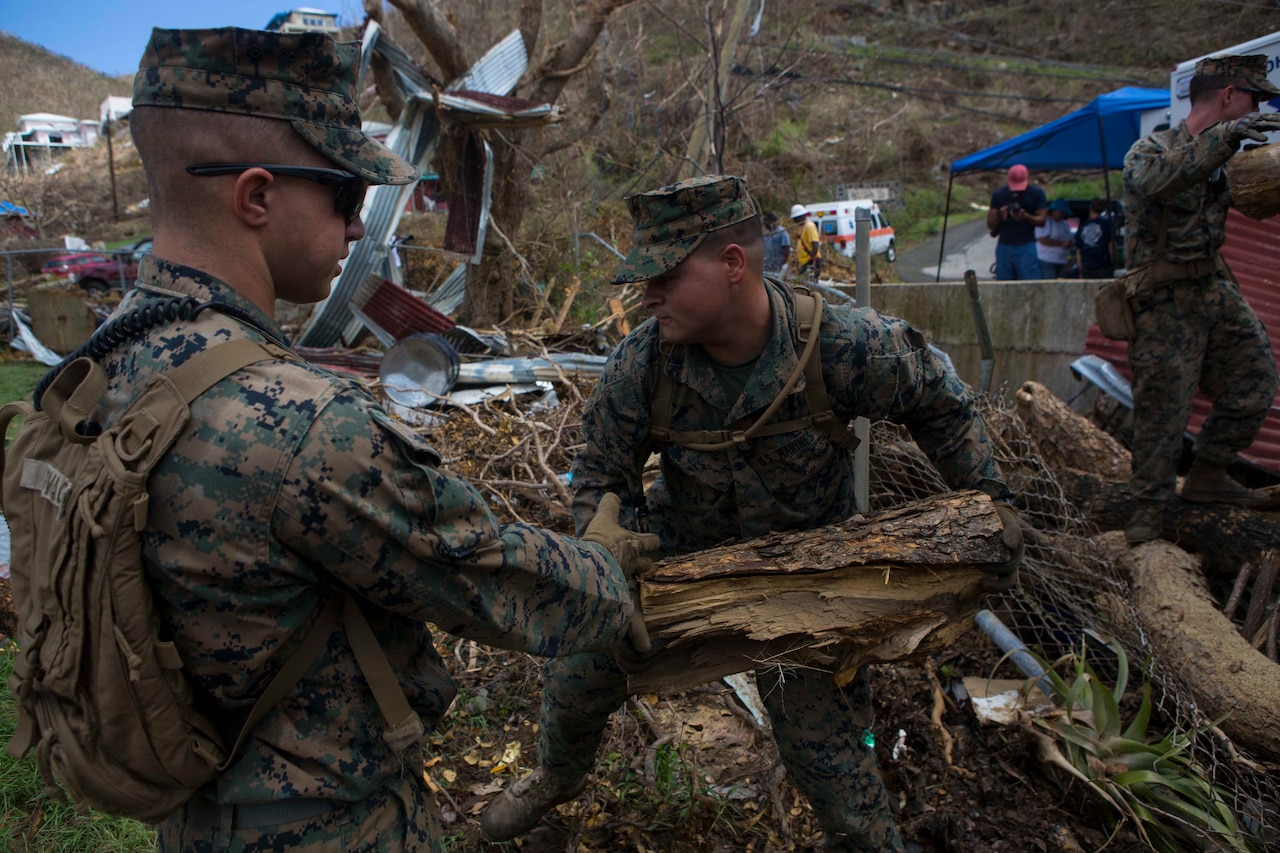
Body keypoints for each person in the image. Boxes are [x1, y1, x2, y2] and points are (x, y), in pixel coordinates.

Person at [112, 26, 652, 851]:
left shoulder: (95, 372)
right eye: (344, 196)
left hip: (190, 813)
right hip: (331, 825)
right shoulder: (297, 424)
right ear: (256, 197)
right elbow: (479, 572)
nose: (361, 223)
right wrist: (605, 566)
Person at [481, 174, 1023, 852]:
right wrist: (603, 535)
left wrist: (990, 501)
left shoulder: (839, 343)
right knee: (577, 665)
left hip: (811, 578)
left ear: (733, 266)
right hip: (686, 558)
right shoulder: (643, 364)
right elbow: (601, 473)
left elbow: (938, 399)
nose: (645, 295)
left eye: (665, 276)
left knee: (840, 770)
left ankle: (867, 817)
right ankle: (552, 778)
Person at [1121, 53, 1280, 545]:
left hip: (1213, 289)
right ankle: (1149, 505)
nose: (1257, 113)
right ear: (1230, 95)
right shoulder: (1151, 149)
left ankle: (1209, 472)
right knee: (1163, 406)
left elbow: (1256, 196)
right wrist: (1223, 139)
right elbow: (1155, 181)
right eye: (1254, 100)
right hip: (1163, 298)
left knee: (1257, 378)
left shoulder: (1228, 153)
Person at [986, 164, 1047, 280]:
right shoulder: (999, 195)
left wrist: (1026, 216)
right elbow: (990, 224)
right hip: (1004, 244)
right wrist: (999, 215)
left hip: (1026, 244)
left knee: (1029, 282)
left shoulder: (1036, 194)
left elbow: (1042, 221)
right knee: (1004, 284)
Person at [1074, 198, 1117, 279]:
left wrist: (1081, 270)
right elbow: (1111, 246)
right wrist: (1114, 262)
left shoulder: (1083, 226)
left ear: (1090, 209)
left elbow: (1078, 250)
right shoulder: (1107, 225)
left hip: (1087, 267)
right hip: (1103, 266)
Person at [1035, 198, 1074, 278]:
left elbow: (1071, 238)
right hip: (1047, 261)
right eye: (1060, 212)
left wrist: (1070, 243)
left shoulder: (1065, 224)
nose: (1062, 214)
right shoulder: (1045, 222)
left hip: (1062, 262)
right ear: (1053, 210)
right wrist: (1061, 243)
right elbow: (1042, 239)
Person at [790, 202, 822, 278]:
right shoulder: (803, 227)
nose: (795, 222)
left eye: (795, 219)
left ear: (800, 217)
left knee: (809, 282)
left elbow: (815, 243)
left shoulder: (809, 226)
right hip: (805, 261)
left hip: (810, 261)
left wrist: (812, 261)